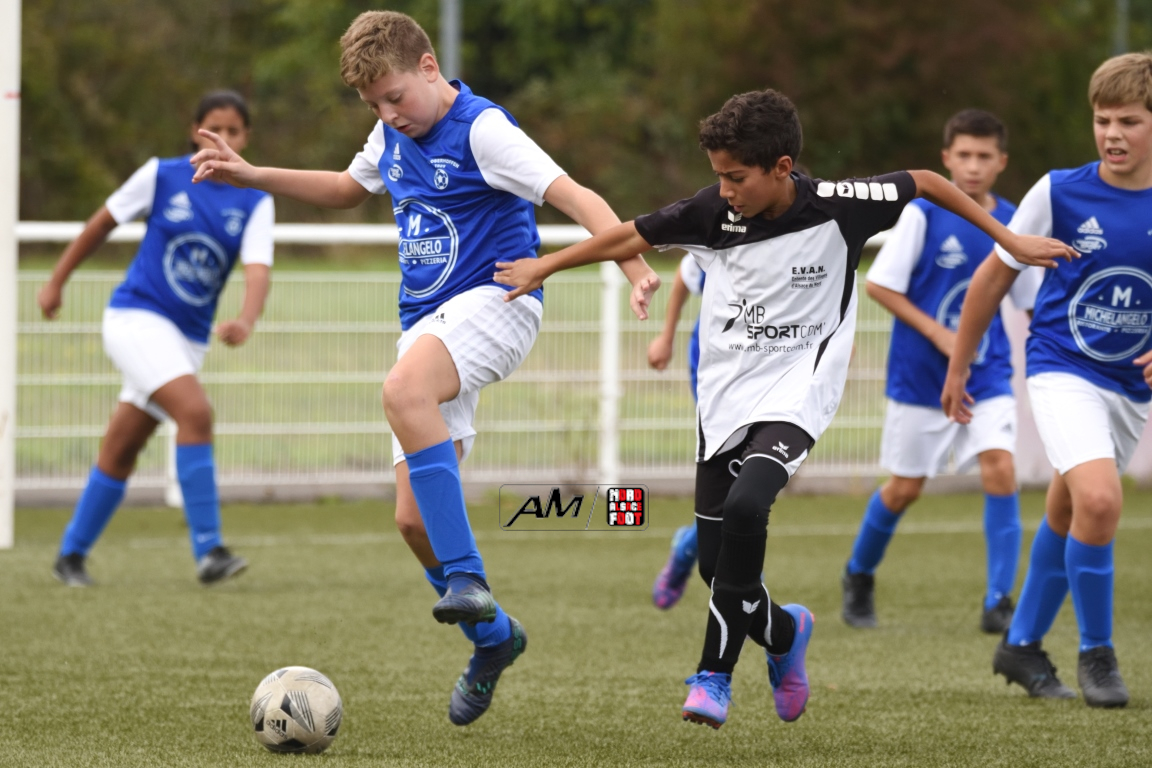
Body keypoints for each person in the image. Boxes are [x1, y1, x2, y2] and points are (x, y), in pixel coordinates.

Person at [494, 88, 1074, 729]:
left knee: (748, 506)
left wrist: (1009, 240)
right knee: (717, 566)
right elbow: (630, 233)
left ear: (782, 167)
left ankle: (713, 675)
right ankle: (786, 634)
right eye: (718, 176)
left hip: (801, 392)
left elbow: (927, 181)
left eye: (736, 177)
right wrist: (547, 266)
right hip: (725, 400)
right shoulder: (712, 211)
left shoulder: (841, 206)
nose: (725, 190)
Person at [189, 11, 658, 726]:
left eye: (395, 97)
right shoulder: (390, 134)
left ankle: (468, 580)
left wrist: (633, 266)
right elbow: (346, 188)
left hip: (501, 299)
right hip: (428, 327)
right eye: (373, 105)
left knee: (402, 390)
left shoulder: (482, 130)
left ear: (430, 67)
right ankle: (495, 640)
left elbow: (579, 198)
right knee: (413, 523)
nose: (387, 115)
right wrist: (254, 174)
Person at [942, 52, 1152, 709]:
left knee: (1067, 507)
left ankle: (1022, 644)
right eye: (1102, 120)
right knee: (1100, 501)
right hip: (1061, 366)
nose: (1112, 133)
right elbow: (992, 278)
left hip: (1130, 389)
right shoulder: (1059, 192)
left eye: (1129, 121)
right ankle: (1098, 654)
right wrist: (959, 363)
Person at [41, 90, 273, 587]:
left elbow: (258, 270)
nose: (223, 138)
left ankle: (70, 556)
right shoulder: (162, 175)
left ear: (246, 138)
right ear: (194, 132)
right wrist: (57, 280)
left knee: (122, 447)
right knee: (196, 413)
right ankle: (210, 550)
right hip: (136, 320)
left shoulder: (256, 199)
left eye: (233, 131)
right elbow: (102, 223)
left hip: (187, 341)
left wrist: (246, 319)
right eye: (214, 129)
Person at [841, 109, 1030, 634]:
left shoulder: (1013, 221)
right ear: (946, 158)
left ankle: (999, 601)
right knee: (905, 488)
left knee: (1000, 468)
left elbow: (1031, 301)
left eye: (984, 156)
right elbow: (879, 285)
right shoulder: (923, 215)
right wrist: (941, 335)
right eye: (963, 155)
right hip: (920, 377)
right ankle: (859, 574)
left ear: (1001, 162)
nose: (973, 166)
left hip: (987, 373)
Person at [648, 254, 704, 610]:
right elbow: (685, 275)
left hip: (779, 368)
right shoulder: (725, 228)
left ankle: (687, 547)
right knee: (738, 487)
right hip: (716, 368)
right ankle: (747, 601)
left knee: (753, 489)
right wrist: (666, 336)